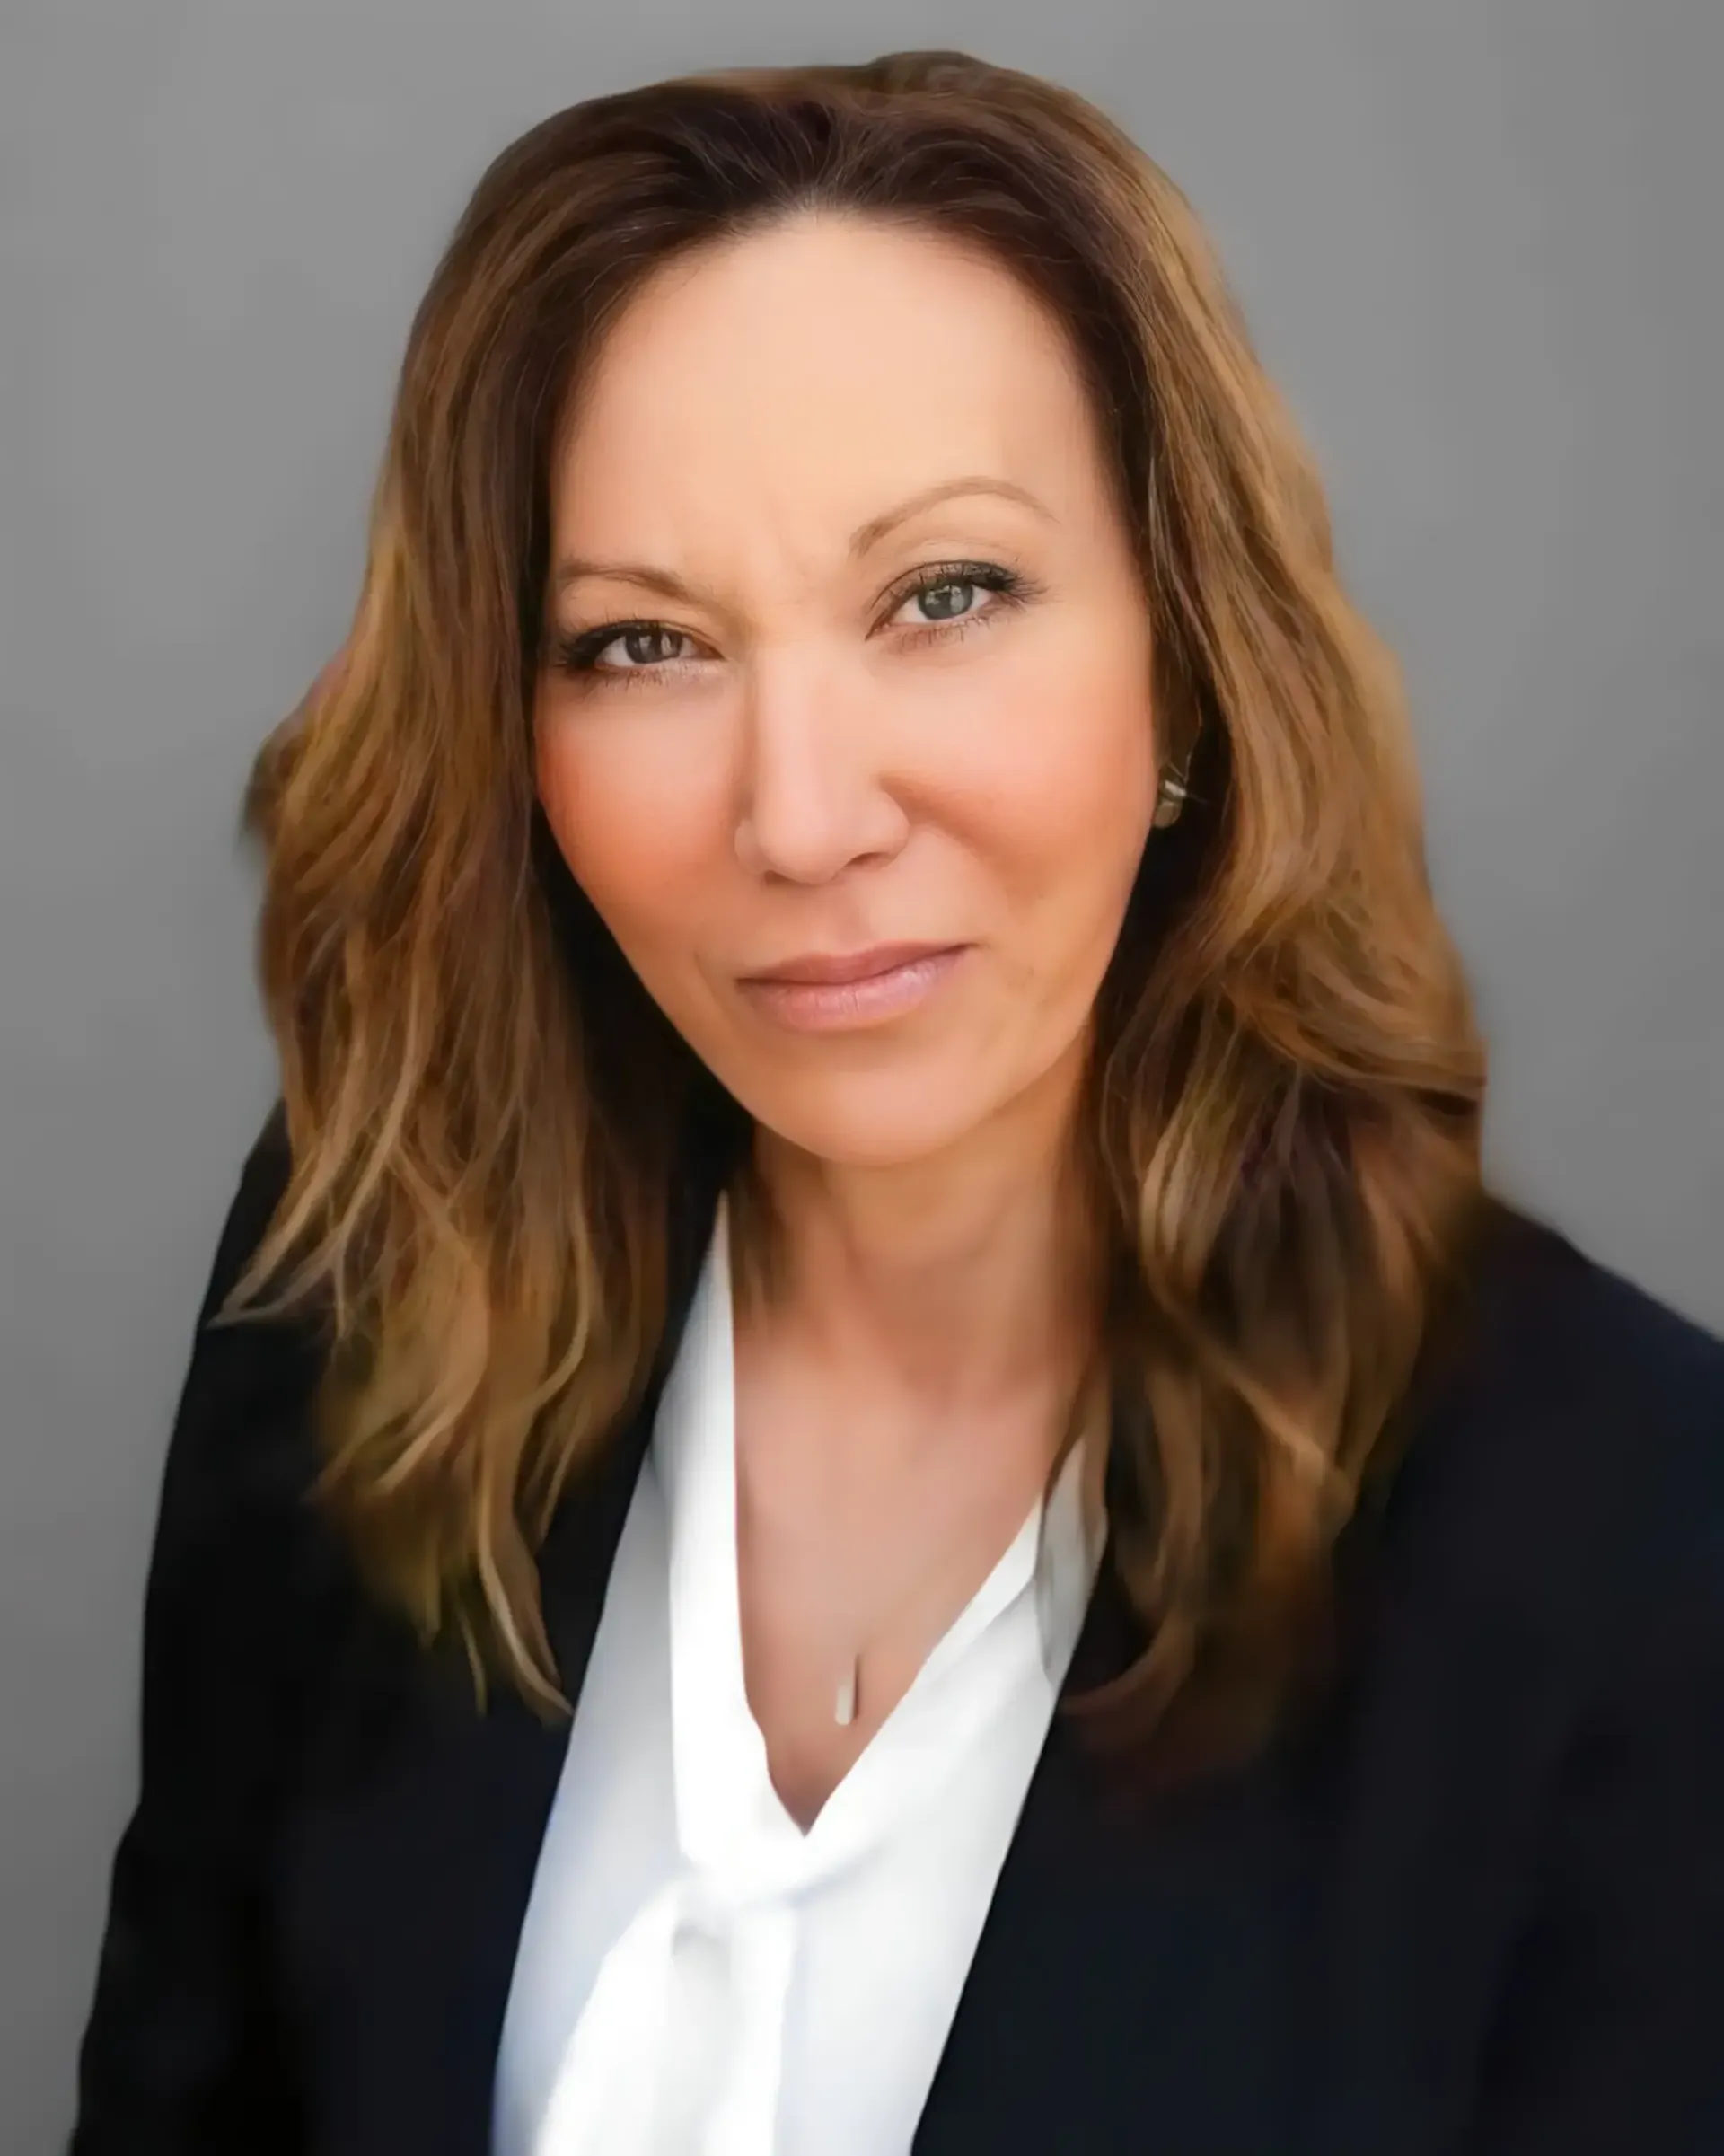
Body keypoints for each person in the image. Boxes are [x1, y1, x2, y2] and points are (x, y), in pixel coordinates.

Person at [70, 48, 1722, 2156]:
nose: (802, 814)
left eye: (945, 598)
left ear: (1190, 666)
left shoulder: (1644, 1538)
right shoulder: (366, 1291)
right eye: (647, 645)